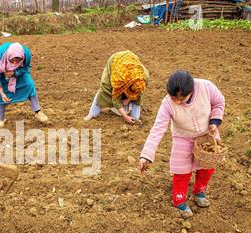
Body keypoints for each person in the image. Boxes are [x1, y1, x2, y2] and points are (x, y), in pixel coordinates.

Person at [138, 70, 225, 217]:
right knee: (181, 170)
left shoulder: (205, 87)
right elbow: (157, 129)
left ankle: (200, 191)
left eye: (182, 99)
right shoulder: (167, 104)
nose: (177, 102)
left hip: (207, 135)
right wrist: (146, 155)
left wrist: (214, 121)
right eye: (174, 98)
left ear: (191, 90)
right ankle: (179, 199)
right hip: (183, 137)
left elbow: (219, 102)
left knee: (207, 166)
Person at [0, 42, 49, 128]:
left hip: (19, 72)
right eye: (12, 60)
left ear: (22, 57)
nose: (14, 63)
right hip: (3, 72)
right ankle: (1, 118)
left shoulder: (26, 54)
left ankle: (38, 112)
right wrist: (2, 93)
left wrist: (15, 72)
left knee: (29, 85)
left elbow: (26, 68)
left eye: (17, 61)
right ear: (8, 57)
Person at [83, 50, 149, 124]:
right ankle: (92, 114)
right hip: (115, 63)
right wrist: (125, 117)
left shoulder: (144, 77)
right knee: (105, 90)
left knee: (137, 96)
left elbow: (138, 92)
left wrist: (129, 99)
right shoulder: (119, 79)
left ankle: (135, 118)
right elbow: (115, 99)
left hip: (131, 61)